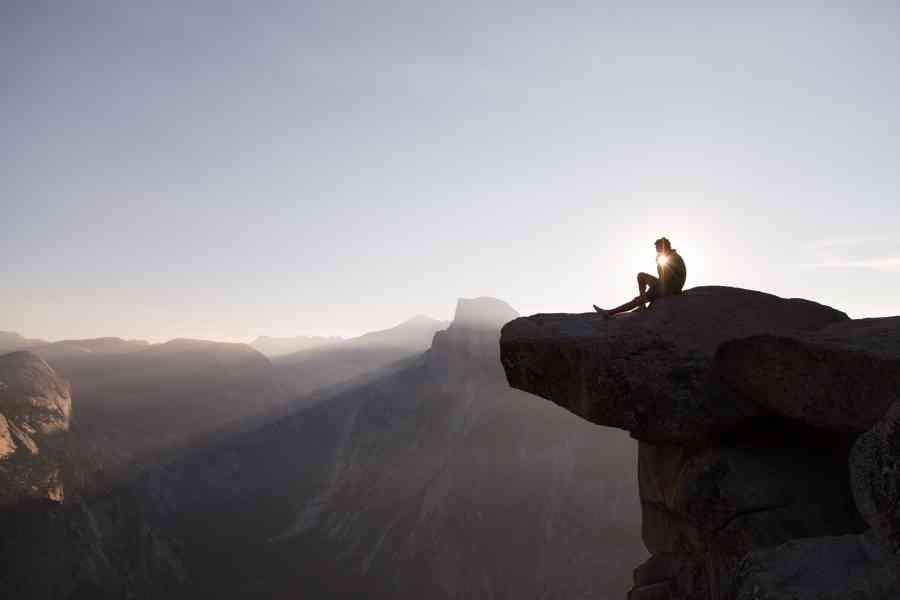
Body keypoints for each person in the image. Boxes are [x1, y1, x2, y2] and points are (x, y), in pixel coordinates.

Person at [594, 237, 686, 317]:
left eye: (657, 246)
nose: (656, 248)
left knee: (638, 299)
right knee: (641, 276)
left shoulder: (672, 257)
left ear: (663, 246)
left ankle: (609, 313)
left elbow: (668, 277)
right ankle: (642, 302)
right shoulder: (666, 256)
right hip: (667, 284)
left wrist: (652, 291)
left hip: (670, 286)